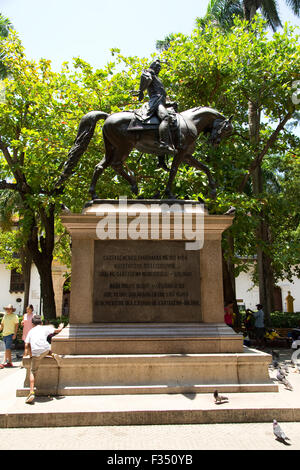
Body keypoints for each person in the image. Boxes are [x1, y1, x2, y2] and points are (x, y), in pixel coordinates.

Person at [137, 59, 176, 153]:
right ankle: (163, 143)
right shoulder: (149, 73)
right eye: (157, 67)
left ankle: (162, 159)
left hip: (161, 102)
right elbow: (146, 78)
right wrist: (141, 91)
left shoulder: (157, 78)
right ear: (153, 67)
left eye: (159, 67)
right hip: (156, 101)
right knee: (166, 118)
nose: (159, 69)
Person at [23, 314, 64, 404]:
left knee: (33, 371)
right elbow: (57, 330)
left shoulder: (31, 331)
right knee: (47, 349)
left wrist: (29, 354)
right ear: (41, 322)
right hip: (45, 349)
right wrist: (61, 326)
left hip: (36, 352)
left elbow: (27, 344)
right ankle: (53, 354)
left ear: (32, 324)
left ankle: (31, 392)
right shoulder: (44, 328)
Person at [0, 304, 19, 368]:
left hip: (10, 334)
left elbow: (16, 325)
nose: (8, 310)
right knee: (8, 349)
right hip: (4, 334)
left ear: (12, 310)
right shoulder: (5, 316)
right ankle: (10, 362)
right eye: (7, 309)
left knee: (7, 348)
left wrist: (15, 334)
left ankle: (3, 362)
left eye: (9, 309)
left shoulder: (14, 316)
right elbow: (2, 325)